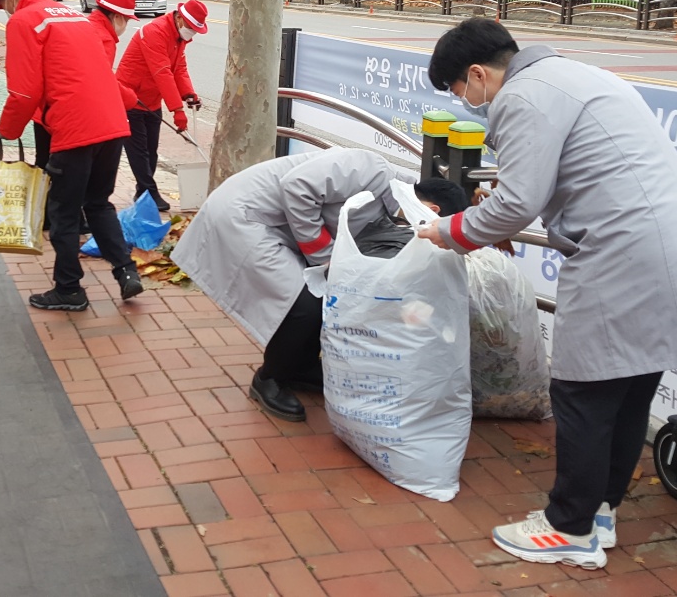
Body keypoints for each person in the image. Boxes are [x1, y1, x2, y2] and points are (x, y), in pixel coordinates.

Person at [416, 18, 677, 570]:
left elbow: (518, 203)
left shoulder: (522, 97)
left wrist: (449, 232)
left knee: (580, 390)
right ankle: (600, 512)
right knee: (630, 385)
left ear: (477, 74)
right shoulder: (577, 76)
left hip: (623, 253)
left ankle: (566, 527)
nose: (466, 101)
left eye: (460, 91)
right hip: (673, 243)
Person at [172, 148, 470, 422]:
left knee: (324, 297)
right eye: (438, 230)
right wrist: (324, 258)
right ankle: (269, 379)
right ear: (432, 211)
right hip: (246, 215)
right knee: (303, 303)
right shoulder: (373, 170)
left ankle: (299, 367)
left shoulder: (395, 209)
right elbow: (296, 187)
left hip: (278, 227)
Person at [0, 0, 143, 311]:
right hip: (112, 126)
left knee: (63, 212)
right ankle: (127, 272)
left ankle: (69, 289)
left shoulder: (24, 21)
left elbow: (25, 92)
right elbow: (99, 74)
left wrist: (7, 131)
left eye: (3, 4)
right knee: (99, 203)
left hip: (75, 129)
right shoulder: (74, 16)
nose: (6, 11)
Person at [33, 0, 140, 234]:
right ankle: (63, 221)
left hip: (51, 109)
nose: (126, 27)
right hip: (63, 113)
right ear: (116, 17)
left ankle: (49, 219)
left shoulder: (89, 26)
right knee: (68, 171)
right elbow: (98, 80)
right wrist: (128, 98)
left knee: (48, 165)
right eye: (127, 21)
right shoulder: (101, 37)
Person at [115, 0, 208, 211]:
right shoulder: (155, 32)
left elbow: (179, 68)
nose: (192, 34)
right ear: (180, 19)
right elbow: (162, 72)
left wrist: (188, 94)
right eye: (192, 29)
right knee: (138, 151)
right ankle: (150, 192)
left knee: (151, 150)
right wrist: (177, 110)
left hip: (151, 99)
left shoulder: (178, 38)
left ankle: (142, 193)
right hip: (130, 97)